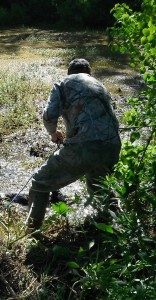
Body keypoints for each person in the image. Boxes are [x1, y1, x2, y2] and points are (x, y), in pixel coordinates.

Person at [26, 58, 121, 230]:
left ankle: (32, 232)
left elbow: (49, 115)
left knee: (39, 182)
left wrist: (54, 133)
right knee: (99, 185)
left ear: (69, 73)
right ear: (89, 73)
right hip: (112, 146)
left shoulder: (63, 83)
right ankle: (117, 227)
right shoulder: (101, 86)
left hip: (85, 145)